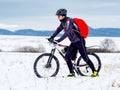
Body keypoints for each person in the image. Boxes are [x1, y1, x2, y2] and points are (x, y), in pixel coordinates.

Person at [48, 8, 98, 77]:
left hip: (79, 41)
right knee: (67, 57)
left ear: (63, 16)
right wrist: (52, 37)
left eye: (59, 16)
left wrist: (58, 40)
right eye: (57, 16)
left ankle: (95, 72)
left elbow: (67, 33)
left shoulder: (69, 21)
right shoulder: (63, 23)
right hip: (74, 42)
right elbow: (58, 30)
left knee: (84, 57)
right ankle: (72, 73)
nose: (57, 17)